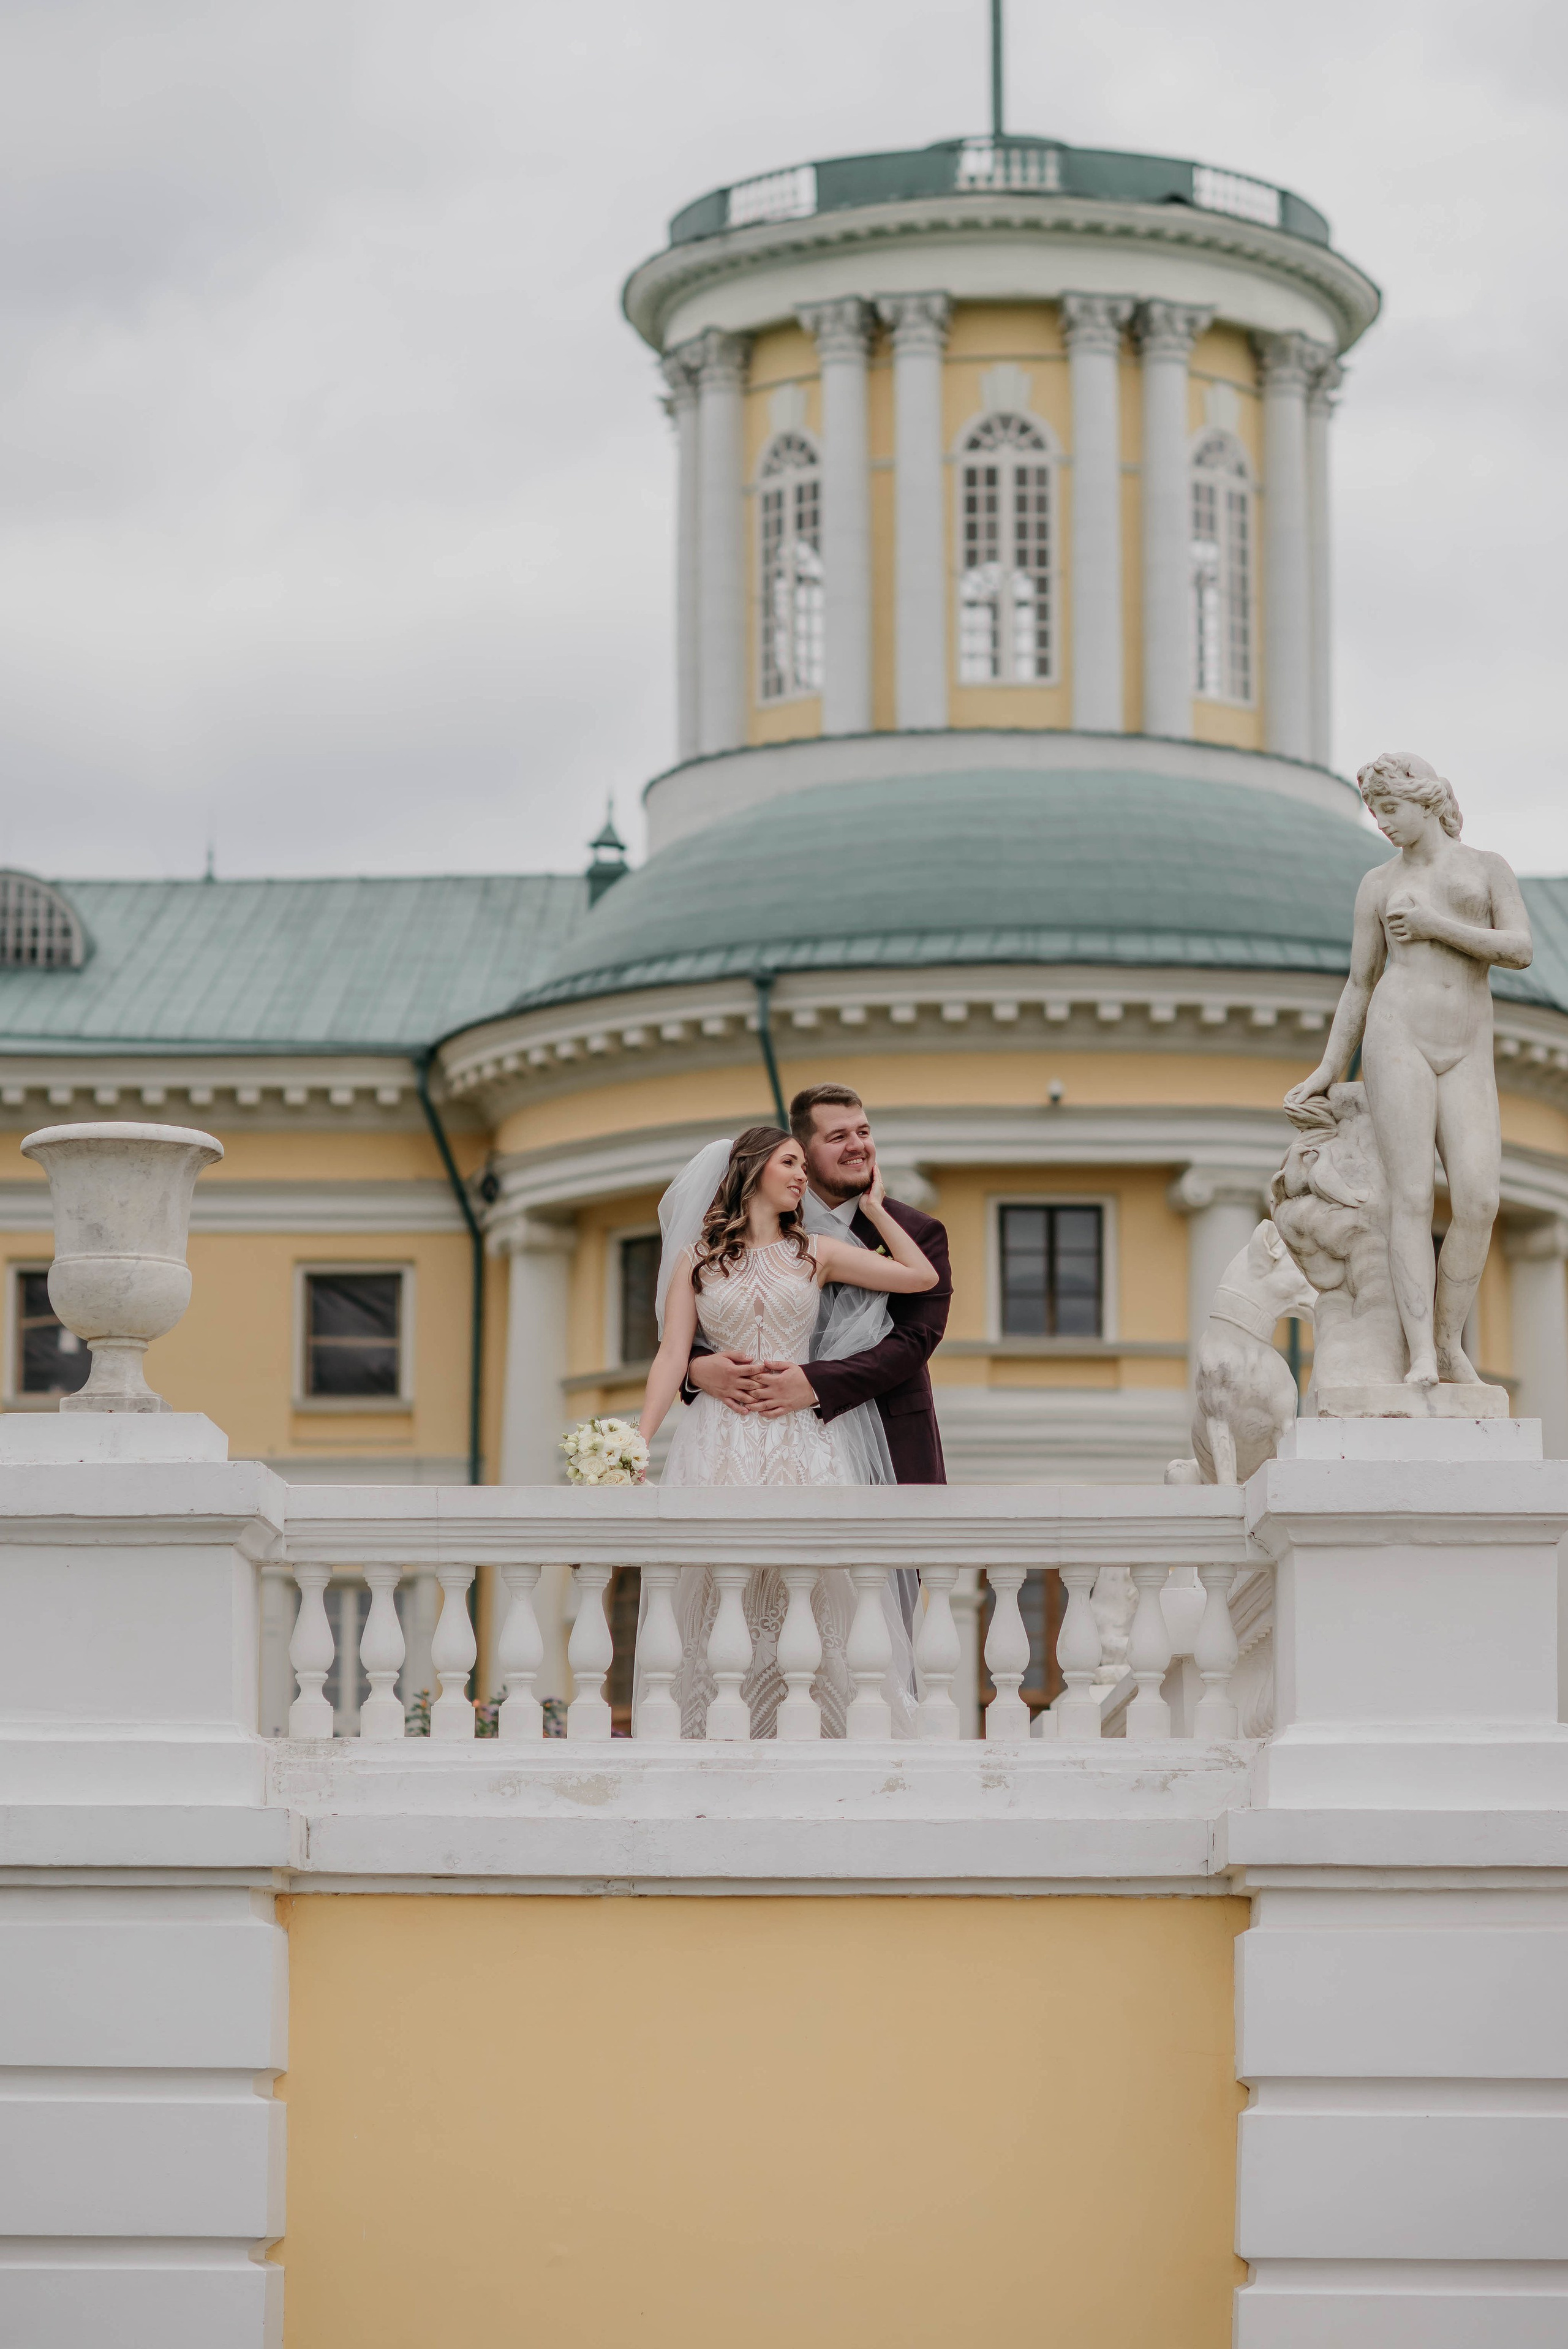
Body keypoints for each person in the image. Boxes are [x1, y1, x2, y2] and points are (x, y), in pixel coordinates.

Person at [635, 1123, 940, 1736]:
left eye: (804, 1165)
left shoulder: (815, 1253)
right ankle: (715, 1732)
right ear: (752, 1170)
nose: (803, 1176)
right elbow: (672, 1355)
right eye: (791, 1163)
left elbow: (920, 1277)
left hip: (800, 1437)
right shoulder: (698, 1258)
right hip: (716, 1438)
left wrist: (877, 1209)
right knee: (714, 1590)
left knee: (821, 1589)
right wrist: (636, 1445)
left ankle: (833, 1729)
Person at [1283, 751, 1532, 1388]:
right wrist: (1330, 1065)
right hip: (1399, 1037)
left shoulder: (1485, 869)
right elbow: (1360, 983)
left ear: (1425, 801)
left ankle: (1449, 1340)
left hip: (1466, 1044)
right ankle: (1422, 1350)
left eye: (1390, 809)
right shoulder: (1376, 882)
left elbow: (1518, 949)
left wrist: (1433, 925)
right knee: (1411, 1197)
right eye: (1374, 812)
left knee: (1478, 1200)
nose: (1382, 823)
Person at [685, 1083, 953, 1483]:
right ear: (804, 1154)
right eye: (839, 1137)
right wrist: (694, 1369)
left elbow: (915, 1339)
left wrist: (814, 1383)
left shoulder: (917, 1231)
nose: (857, 1145)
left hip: (890, 1436)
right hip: (763, 1436)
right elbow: (693, 1311)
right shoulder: (757, 1224)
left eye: (863, 1132)